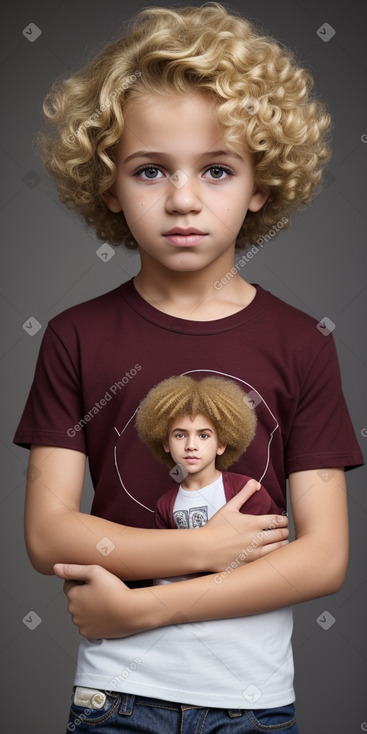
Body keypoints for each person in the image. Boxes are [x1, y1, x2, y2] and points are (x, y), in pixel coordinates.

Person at [13, 3, 363, 732]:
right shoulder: (75, 337)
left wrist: (145, 603)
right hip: (115, 700)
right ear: (108, 185)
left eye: (215, 169)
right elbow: (49, 534)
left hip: (252, 705)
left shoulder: (301, 343)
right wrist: (202, 548)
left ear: (259, 182)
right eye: (149, 170)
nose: (181, 198)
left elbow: (323, 557)